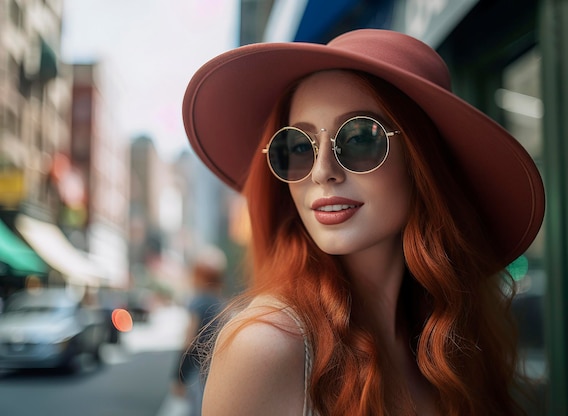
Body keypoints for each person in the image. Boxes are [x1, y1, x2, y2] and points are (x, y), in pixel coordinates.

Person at [182, 29, 545, 416]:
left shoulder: (455, 342)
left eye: (359, 138)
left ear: (420, 161)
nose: (322, 172)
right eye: (299, 147)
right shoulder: (267, 345)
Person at [170, 246, 227, 416]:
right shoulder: (222, 303)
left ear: (200, 276)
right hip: (217, 371)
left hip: (196, 372)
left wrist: (178, 377)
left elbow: (189, 340)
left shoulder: (198, 301)